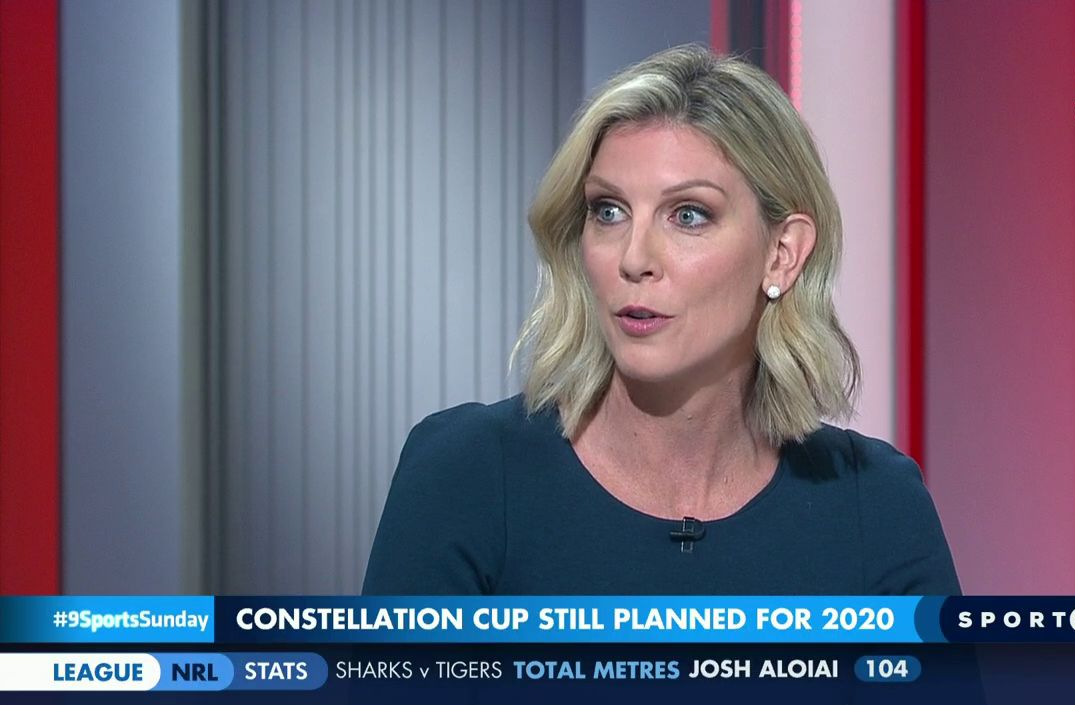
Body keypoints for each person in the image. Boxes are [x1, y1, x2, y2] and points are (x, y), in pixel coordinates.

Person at [362, 44, 961, 597]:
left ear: (782, 253)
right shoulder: (464, 474)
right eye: (609, 211)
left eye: (689, 215)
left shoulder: (874, 505)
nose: (633, 258)